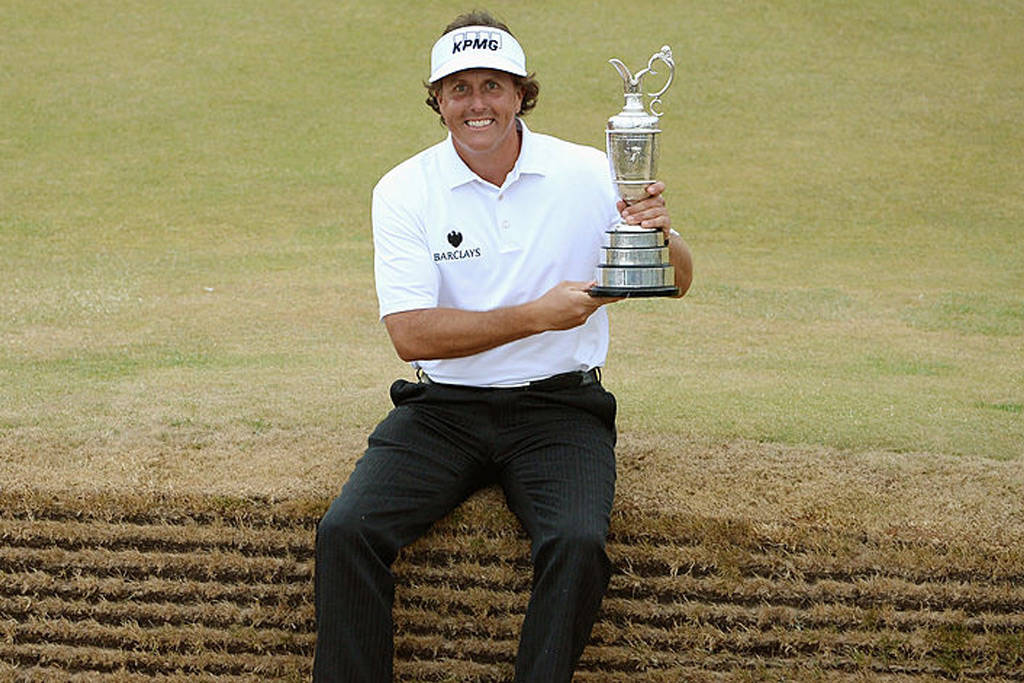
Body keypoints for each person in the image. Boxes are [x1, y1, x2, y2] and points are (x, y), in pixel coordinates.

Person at [314, 10, 692, 682]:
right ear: (437, 102)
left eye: (493, 84)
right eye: (459, 88)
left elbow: (678, 281)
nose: (477, 103)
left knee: (576, 543)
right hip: (442, 410)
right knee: (346, 531)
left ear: (522, 93)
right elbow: (410, 334)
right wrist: (538, 315)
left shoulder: (588, 169)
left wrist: (661, 234)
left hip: (560, 410)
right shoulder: (403, 189)